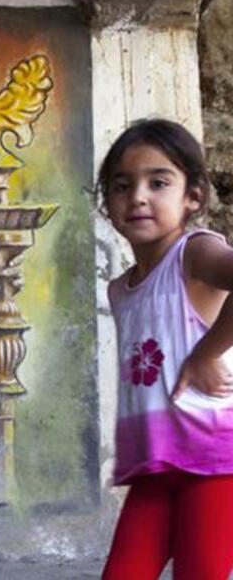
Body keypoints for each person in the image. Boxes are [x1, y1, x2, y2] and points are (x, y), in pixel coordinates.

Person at [98, 119, 233, 579]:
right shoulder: (121, 290)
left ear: (192, 196)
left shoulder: (194, 254)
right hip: (155, 466)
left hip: (215, 462)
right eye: (122, 185)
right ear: (107, 203)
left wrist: (206, 353)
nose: (137, 195)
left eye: (158, 182)